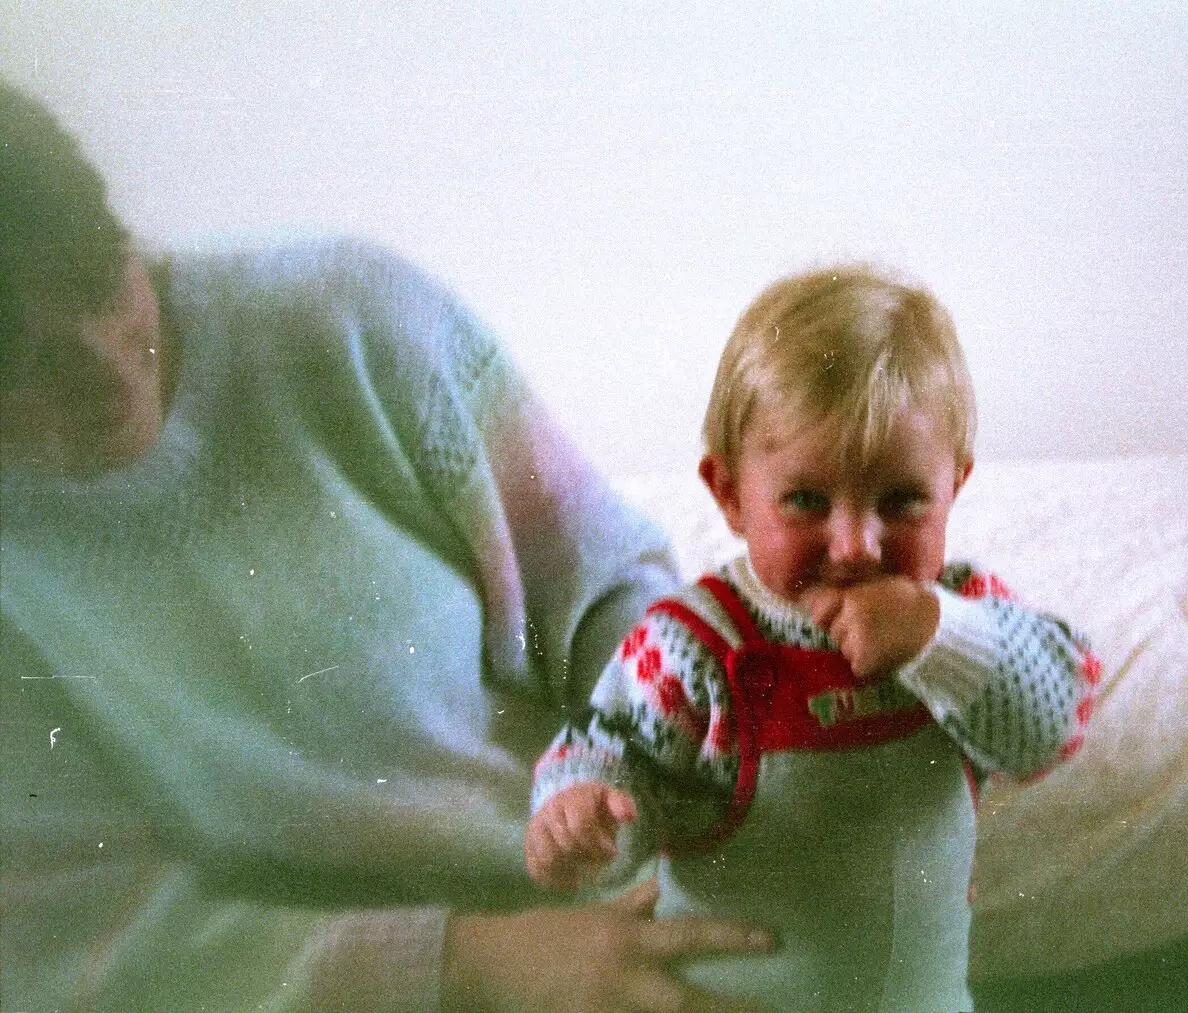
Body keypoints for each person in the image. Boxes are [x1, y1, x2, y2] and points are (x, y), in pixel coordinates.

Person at [0, 78, 775, 1013]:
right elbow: (89, 939)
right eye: (26, 361)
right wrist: (473, 965)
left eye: (102, 282)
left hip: (619, 872)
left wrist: (702, 772)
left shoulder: (351, 315)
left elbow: (605, 586)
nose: (108, 366)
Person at [524, 265, 1103, 1011]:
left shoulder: (966, 614)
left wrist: (937, 635)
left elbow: (1054, 721)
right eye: (806, 500)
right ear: (731, 494)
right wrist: (585, 808)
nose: (856, 544)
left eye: (900, 500)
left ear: (954, 487)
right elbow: (607, 748)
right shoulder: (694, 643)